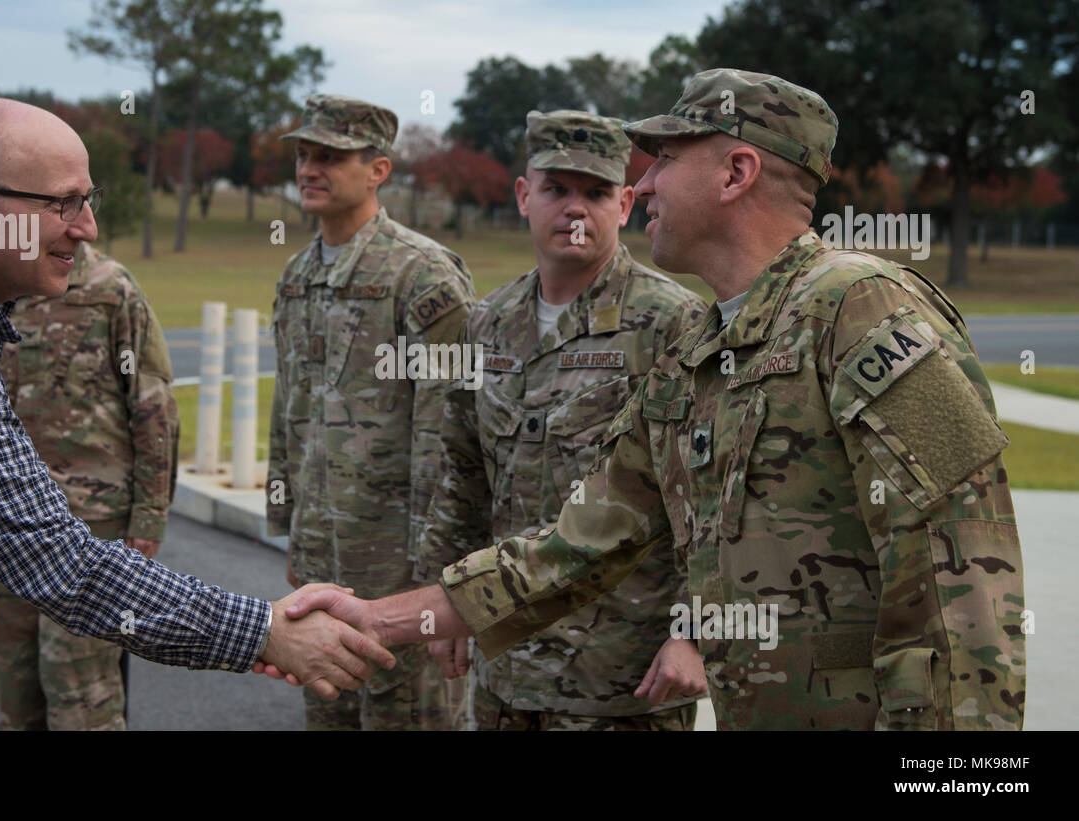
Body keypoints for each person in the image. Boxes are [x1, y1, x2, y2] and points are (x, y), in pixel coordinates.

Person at [267, 70, 1027, 731]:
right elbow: (578, 546)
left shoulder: (860, 308)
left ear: (736, 173)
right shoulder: (701, 351)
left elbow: (964, 582)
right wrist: (385, 617)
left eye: (666, 157)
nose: (649, 182)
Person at [0, 98, 392, 731]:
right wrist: (264, 631)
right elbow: (61, 564)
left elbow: (150, 410)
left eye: (88, 199)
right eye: (63, 204)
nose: (89, 227)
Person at [418, 110, 707, 731]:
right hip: (506, 662)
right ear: (525, 196)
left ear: (624, 205)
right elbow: (462, 475)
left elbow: (710, 496)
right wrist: (444, 607)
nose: (575, 208)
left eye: (596, 192)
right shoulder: (487, 322)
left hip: (619, 674)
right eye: (556, 188)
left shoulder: (673, 324)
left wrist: (694, 632)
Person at [268, 93, 474, 730]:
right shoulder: (297, 275)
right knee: (328, 711)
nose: (309, 169)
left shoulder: (422, 276)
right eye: (304, 155)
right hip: (321, 555)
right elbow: (287, 408)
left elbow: (452, 434)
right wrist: (290, 525)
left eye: (330, 157)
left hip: (400, 570)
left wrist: (443, 576)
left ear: (378, 170)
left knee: (406, 717)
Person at [0, 242, 177, 731]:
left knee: (81, 698)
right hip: (5, 526)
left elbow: (153, 407)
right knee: (14, 689)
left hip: (92, 526)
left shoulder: (110, 290)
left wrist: (148, 519)